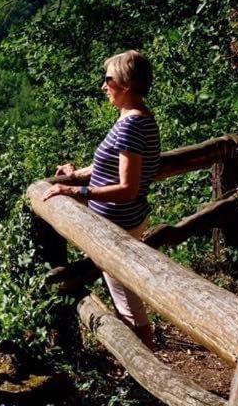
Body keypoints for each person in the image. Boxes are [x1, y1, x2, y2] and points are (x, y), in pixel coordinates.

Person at [42, 50, 161, 348]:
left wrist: (74, 191)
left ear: (125, 83)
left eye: (108, 79)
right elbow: (110, 164)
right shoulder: (139, 118)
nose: (103, 86)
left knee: (127, 304)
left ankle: (146, 370)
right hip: (128, 218)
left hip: (117, 225)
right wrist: (77, 174)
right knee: (126, 294)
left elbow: (127, 188)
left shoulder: (131, 124)